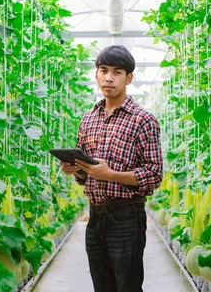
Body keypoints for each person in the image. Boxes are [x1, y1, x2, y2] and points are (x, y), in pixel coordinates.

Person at [59, 45, 163, 292]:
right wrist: (75, 170)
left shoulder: (143, 119)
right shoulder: (89, 118)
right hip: (95, 216)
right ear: (96, 74)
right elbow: (86, 176)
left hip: (126, 215)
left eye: (117, 72)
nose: (108, 77)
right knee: (102, 285)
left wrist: (110, 175)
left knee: (127, 285)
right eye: (103, 70)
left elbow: (154, 175)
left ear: (129, 78)